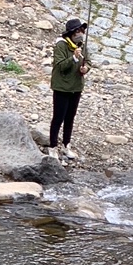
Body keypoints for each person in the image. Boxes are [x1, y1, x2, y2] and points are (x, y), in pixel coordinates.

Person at [48, 18, 91, 160]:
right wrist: (73, 58)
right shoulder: (61, 46)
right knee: (58, 117)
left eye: (81, 31)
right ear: (71, 33)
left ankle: (66, 145)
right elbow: (60, 66)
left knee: (70, 118)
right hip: (62, 88)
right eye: (77, 31)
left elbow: (89, 61)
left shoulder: (82, 46)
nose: (80, 34)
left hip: (76, 87)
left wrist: (86, 69)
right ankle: (53, 147)